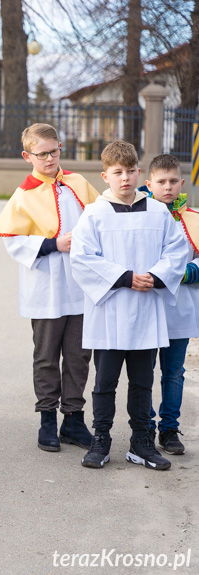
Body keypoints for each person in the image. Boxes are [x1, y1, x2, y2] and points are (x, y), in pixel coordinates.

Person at [71, 140, 189, 471]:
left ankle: (141, 443)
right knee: (104, 383)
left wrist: (155, 276)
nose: (125, 178)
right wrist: (124, 278)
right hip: (110, 311)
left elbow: (176, 250)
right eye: (117, 172)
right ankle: (101, 440)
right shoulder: (94, 214)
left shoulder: (158, 212)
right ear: (105, 176)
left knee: (142, 382)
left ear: (139, 172)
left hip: (146, 309)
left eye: (130, 171)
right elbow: (82, 258)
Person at [0, 123, 99, 452]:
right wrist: (53, 244)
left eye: (54, 151)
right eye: (42, 154)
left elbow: (101, 221)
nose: (49, 158)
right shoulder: (23, 195)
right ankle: (47, 419)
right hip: (46, 287)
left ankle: (74, 419)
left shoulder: (78, 184)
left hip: (81, 287)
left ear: (60, 148)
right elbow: (13, 241)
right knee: (47, 356)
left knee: (79, 356)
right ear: (28, 157)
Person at [139, 154, 199, 456]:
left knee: (174, 372)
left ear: (182, 183)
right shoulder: (140, 218)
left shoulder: (194, 218)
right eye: (161, 181)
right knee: (144, 372)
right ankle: (145, 426)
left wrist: (189, 271)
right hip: (148, 307)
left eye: (173, 181)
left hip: (180, 309)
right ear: (149, 184)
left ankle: (170, 428)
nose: (168, 187)